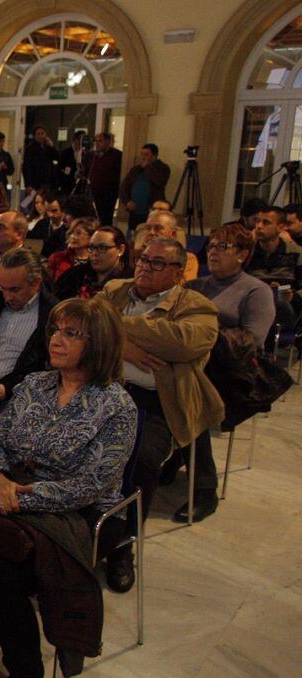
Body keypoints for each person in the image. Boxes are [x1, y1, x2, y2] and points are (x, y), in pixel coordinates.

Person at [0, 298, 137, 678]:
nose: (55, 340)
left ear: (97, 344)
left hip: (82, 514)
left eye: (70, 333)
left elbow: (92, 484)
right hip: (9, 492)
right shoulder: (33, 385)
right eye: (54, 330)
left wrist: (16, 498)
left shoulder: (117, 406)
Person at [95, 238, 222, 592]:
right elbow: (83, 326)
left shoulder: (199, 308)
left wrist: (114, 326)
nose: (144, 267)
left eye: (156, 263)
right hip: (103, 389)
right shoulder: (115, 289)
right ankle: (77, 535)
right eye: (142, 260)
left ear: (179, 274)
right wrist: (123, 346)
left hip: (154, 402)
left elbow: (179, 342)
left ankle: (122, 547)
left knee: (142, 463)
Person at [168, 224, 275, 522]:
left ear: (242, 254)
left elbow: (250, 342)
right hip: (191, 366)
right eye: (211, 246)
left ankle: (204, 489)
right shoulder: (195, 286)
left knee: (189, 396)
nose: (212, 251)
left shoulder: (256, 291)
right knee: (164, 382)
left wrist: (200, 334)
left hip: (234, 377)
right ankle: (165, 457)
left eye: (222, 247)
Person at [0, 248, 58, 403]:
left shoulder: (52, 314)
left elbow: (46, 367)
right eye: (2, 288)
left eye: (14, 290)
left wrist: (9, 387)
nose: (7, 297)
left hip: (22, 398)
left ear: (36, 283)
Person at [55, 225, 132, 299]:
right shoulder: (73, 275)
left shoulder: (129, 283)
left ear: (121, 250)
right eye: (91, 247)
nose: (94, 253)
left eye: (102, 248)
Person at [120, 143, 171, 229]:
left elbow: (160, 181)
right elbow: (124, 187)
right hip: (135, 211)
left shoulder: (163, 168)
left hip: (152, 212)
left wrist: (148, 167)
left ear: (155, 155)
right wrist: (127, 201)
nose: (143, 157)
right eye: (142, 154)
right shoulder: (136, 169)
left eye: (146, 154)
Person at [88, 131, 123, 226]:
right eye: (96, 141)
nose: (97, 144)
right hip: (94, 191)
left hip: (108, 193)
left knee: (105, 217)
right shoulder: (92, 155)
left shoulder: (117, 155)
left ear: (108, 141)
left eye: (100, 141)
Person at [46, 217, 96, 281]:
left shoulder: (95, 260)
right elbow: (48, 285)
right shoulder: (57, 258)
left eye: (78, 233)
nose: (72, 237)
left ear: (91, 237)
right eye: (72, 233)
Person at [21, 126, 59, 199]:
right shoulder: (30, 148)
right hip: (34, 182)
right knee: (30, 202)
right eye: (38, 134)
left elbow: (57, 157)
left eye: (43, 133)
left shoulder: (48, 147)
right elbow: (26, 167)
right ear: (34, 136)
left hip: (47, 182)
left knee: (45, 201)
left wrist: (51, 146)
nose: (41, 136)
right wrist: (28, 185)